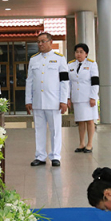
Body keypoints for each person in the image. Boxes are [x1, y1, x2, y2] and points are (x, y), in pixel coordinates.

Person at [25, 32, 69, 167]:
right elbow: (29, 81)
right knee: (39, 129)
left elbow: (65, 81)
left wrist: (64, 100)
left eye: (43, 41)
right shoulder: (34, 59)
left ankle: (55, 156)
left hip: (54, 100)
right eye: (38, 42)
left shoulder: (60, 59)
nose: (40, 44)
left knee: (55, 129)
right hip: (38, 101)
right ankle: (40, 156)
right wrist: (28, 100)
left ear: (50, 42)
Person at [67, 43, 99, 153]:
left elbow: (95, 82)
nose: (78, 54)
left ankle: (89, 144)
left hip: (88, 97)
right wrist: (67, 98)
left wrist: (93, 97)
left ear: (86, 54)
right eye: (77, 52)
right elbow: (68, 83)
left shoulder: (91, 64)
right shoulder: (70, 65)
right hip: (77, 97)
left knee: (90, 121)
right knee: (80, 121)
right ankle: (81, 143)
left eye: (81, 52)